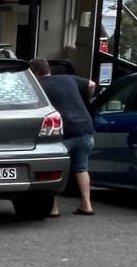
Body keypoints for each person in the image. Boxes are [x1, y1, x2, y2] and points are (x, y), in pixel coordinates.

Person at [31, 58, 96, 216]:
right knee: (81, 168)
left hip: (64, 132)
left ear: (34, 73)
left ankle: (53, 208)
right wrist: (86, 97)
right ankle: (86, 205)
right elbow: (92, 84)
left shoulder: (38, 87)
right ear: (48, 69)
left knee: (54, 169)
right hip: (85, 129)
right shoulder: (68, 78)